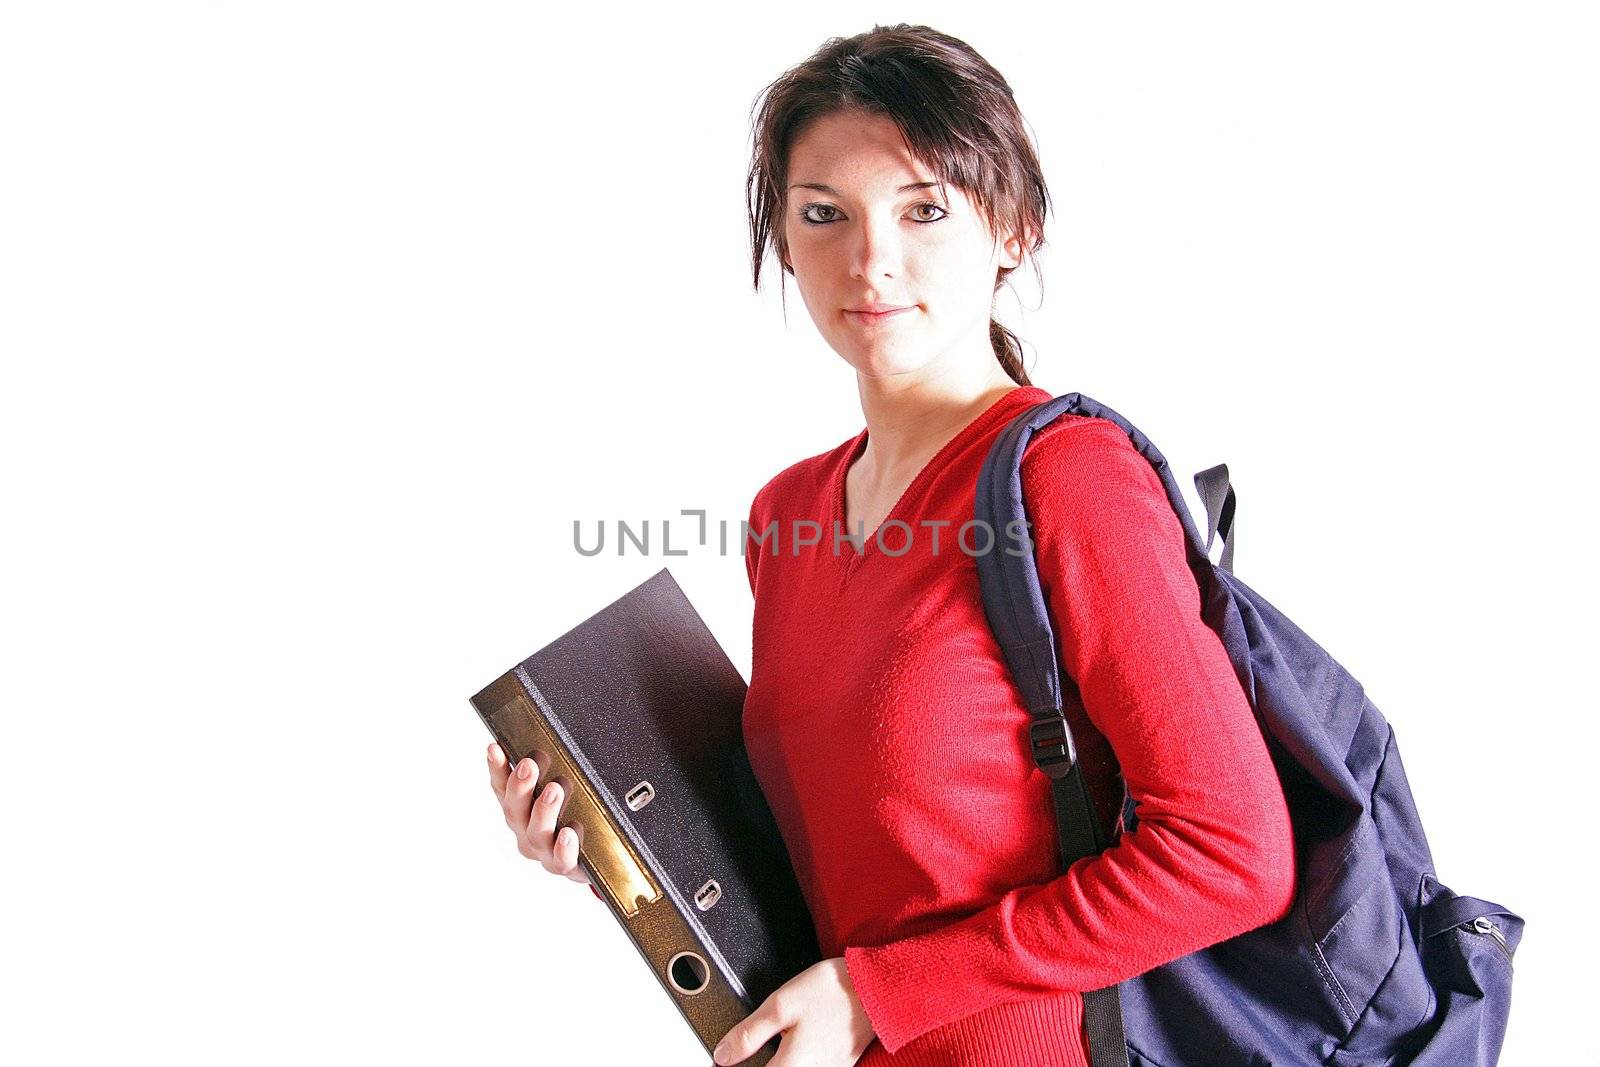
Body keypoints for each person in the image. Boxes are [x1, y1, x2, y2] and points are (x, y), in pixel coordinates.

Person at [487, 23, 1296, 1067]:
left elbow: (1231, 854)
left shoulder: (1069, 477)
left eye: (924, 210)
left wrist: (880, 991)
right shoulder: (786, 513)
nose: (870, 261)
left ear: (1013, 227)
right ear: (783, 239)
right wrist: (610, 842)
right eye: (824, 215)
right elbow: (841, 843)